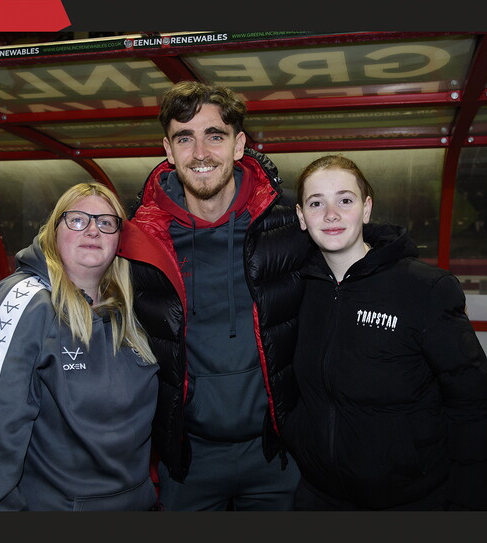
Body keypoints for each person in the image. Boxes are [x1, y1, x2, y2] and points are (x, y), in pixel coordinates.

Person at [115, 81, 314, 511]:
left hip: (274, 455)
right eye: (185, 138)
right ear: (168, 150)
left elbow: (351, 247)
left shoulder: (288, 227)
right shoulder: (140, 241)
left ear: (239, 145)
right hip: (188, 463)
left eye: (215, 136)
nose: (200, 153)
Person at [279, 155, 487, 511]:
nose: (331, 214)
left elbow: (471, 406)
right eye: (316, 203)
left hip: (410, 501)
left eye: (345, 200)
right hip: (319, 496)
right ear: (302, 217)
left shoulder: (424, 289)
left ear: (366, 209)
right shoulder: (294, 290)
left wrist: (468, 506)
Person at [0, 182, 159, 512]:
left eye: (106, 222)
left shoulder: (130, 311)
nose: (93, 230)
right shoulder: (25, 303)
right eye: (78, 219)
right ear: (54, 232)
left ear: (119, 240)